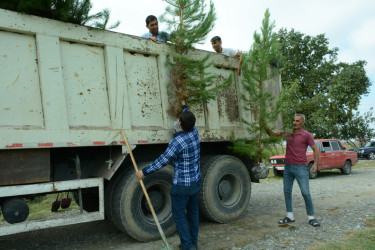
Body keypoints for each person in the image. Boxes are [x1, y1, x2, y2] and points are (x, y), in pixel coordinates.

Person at [136, 101, 201, 250]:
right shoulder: (195, 132)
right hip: (196, 181)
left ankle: (187, 246)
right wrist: (184, 106)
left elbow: (162, 161)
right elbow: (188, 117)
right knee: (193, 212)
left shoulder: (177, 142)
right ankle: (194, 242)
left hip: (182, 185)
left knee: (179, 216)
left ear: (180, 124)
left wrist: (143, 171)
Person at [266, 114, 320, 227]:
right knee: (287, 192)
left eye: (297, 121)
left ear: (303, 122)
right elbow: (273, 136)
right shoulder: (288, 133)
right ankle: (289, 216)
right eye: (294, 120)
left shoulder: (307, 135)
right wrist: (265, 126)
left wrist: (315, 163)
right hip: (288, 167)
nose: (294, 123)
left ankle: (311, 217)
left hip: (301, 167)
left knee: (305, 193)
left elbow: (315, 149)